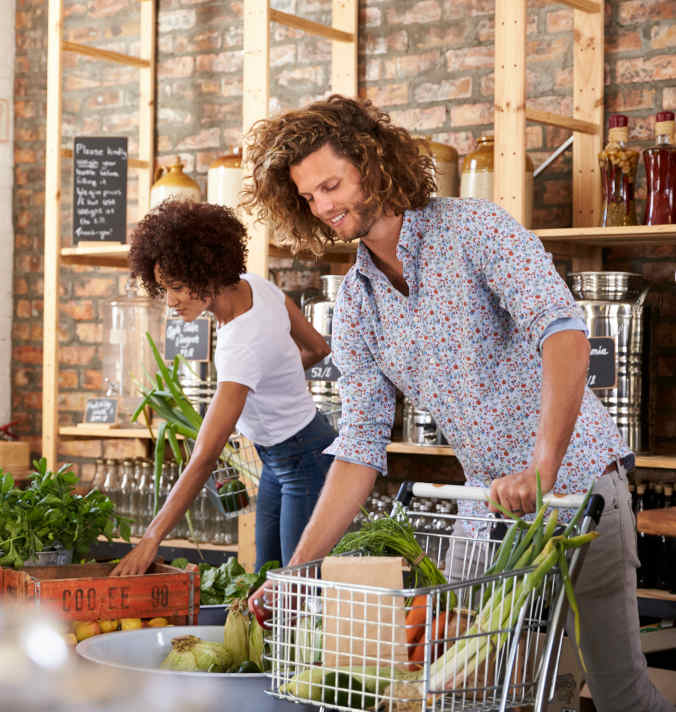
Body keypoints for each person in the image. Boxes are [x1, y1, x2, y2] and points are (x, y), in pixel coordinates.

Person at [241, 95, 673, 712]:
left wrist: (541, 470)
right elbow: (359, 446)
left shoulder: (474, 229)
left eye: (332, 185)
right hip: (490, 515)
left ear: (373, 161)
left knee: (619, 694)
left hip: (580, 494)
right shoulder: (360, 301)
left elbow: (564, 334)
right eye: (309, 198)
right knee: (512, 696)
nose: (325, 207)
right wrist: (297, 569)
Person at [110, 200, 337, 577]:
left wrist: (150, 539)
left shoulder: (239, 346)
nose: (170, 301)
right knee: (266, 581)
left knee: (295, 590)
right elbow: (318, 348)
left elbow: (204, 456)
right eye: (165, 288)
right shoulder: (257, 286)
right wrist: (261, 387)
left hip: (305, 462)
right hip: (279, 459)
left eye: (179, 287)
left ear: (208, 274)